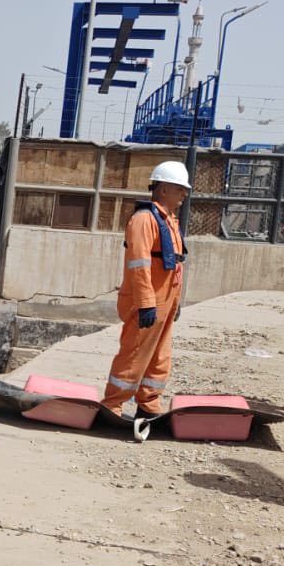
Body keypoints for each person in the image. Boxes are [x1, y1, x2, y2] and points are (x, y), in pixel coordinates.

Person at [103, 161, 189, 417]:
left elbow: (172, 263)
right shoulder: (144, 220)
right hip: (148, 300)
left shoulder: (168, 220)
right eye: (180, 189)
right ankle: (112, 405)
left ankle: (148, 404)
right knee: (135, 354)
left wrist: (175, 302)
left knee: (159, 355)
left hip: (164, 299)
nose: (184, 194)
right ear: (163, 189)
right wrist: (145, 303)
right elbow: (139, 265)